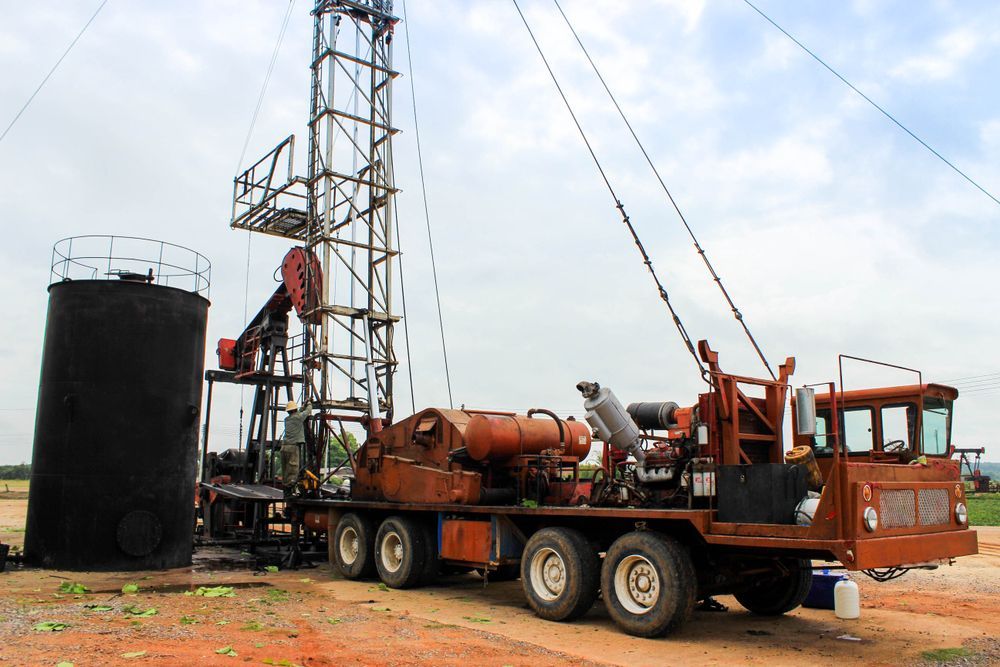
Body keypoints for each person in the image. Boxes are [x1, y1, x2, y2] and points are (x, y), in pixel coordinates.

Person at [281, 400, 313, 496]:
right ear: (295, 409)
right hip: (293, 447)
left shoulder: (287, 419)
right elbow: (307, 412)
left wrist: (303, 406)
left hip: (284, 447)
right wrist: (309, 404)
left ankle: (286, 489)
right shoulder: (298, 418)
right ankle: (289, 490)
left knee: (285, 469)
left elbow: (299, 412)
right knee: (293, 469)